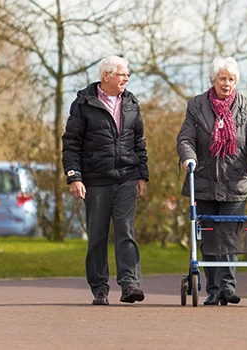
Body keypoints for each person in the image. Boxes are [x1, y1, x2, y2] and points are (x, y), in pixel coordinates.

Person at [176, 56, 247, 306]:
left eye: (232, 79)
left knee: (229, 235)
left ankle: (228, 287)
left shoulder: (246, 106)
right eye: (223, 78)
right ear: (213, 80)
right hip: (204, 180)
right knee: (209, 236)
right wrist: (189, 158)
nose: (227, 83)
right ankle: (213, 288)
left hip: (235, 182)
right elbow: (185, 139)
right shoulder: (197, 106)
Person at [62, 55, 148, 306]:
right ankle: (100, 288)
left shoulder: (131, 103)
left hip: (126, 178)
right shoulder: (84, 104)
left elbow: (139, 142)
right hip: (96, 179)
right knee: (98, 235)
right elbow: (71, 144)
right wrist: (74, 177)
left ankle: (130, 283)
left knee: (126, 231)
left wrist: (142, 174)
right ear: (106, 76)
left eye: (127, 74)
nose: (127, 78)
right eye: (122, 74)